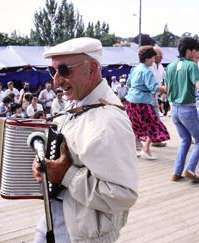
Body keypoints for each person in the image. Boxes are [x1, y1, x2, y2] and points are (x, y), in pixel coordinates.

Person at [30, 37, 137, 242]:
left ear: (92, 69)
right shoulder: (77, 104)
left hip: (81, 234)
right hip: (58, 218)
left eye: (64, 70)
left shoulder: (109, 121)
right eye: (53, 71)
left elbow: (123, 195)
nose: (56, 80)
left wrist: (66, 175)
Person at [164, 37, 199, 184]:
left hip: (174, 110)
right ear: (189, 51)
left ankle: (177, 172)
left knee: (185, 140)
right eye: (197, 51)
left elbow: (167, 89)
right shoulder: (192, 66)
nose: (198, 54)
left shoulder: (170, 66)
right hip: (187, 109)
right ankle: (190, 169)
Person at [125, 45, 170, 160]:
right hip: (143, 102)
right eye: (153, 58)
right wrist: (167, 88)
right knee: (154, 125)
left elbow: (128, 83)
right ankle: (146, 149)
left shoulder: (135, 69)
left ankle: (135, 149)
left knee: (134, 125)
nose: (154, 60)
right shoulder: (147, 71)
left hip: (131, 101)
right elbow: (154, 87)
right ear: (148, 59)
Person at [150, 46, 168, 147]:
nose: (161, 58)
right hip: (146, 96)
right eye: (160, 56)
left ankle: (156, 140)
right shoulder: (148, 66)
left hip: (154, 95)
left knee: (156, 117)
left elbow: (164, 80)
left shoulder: (161, 67)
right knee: (145, 120)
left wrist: (164, 92)